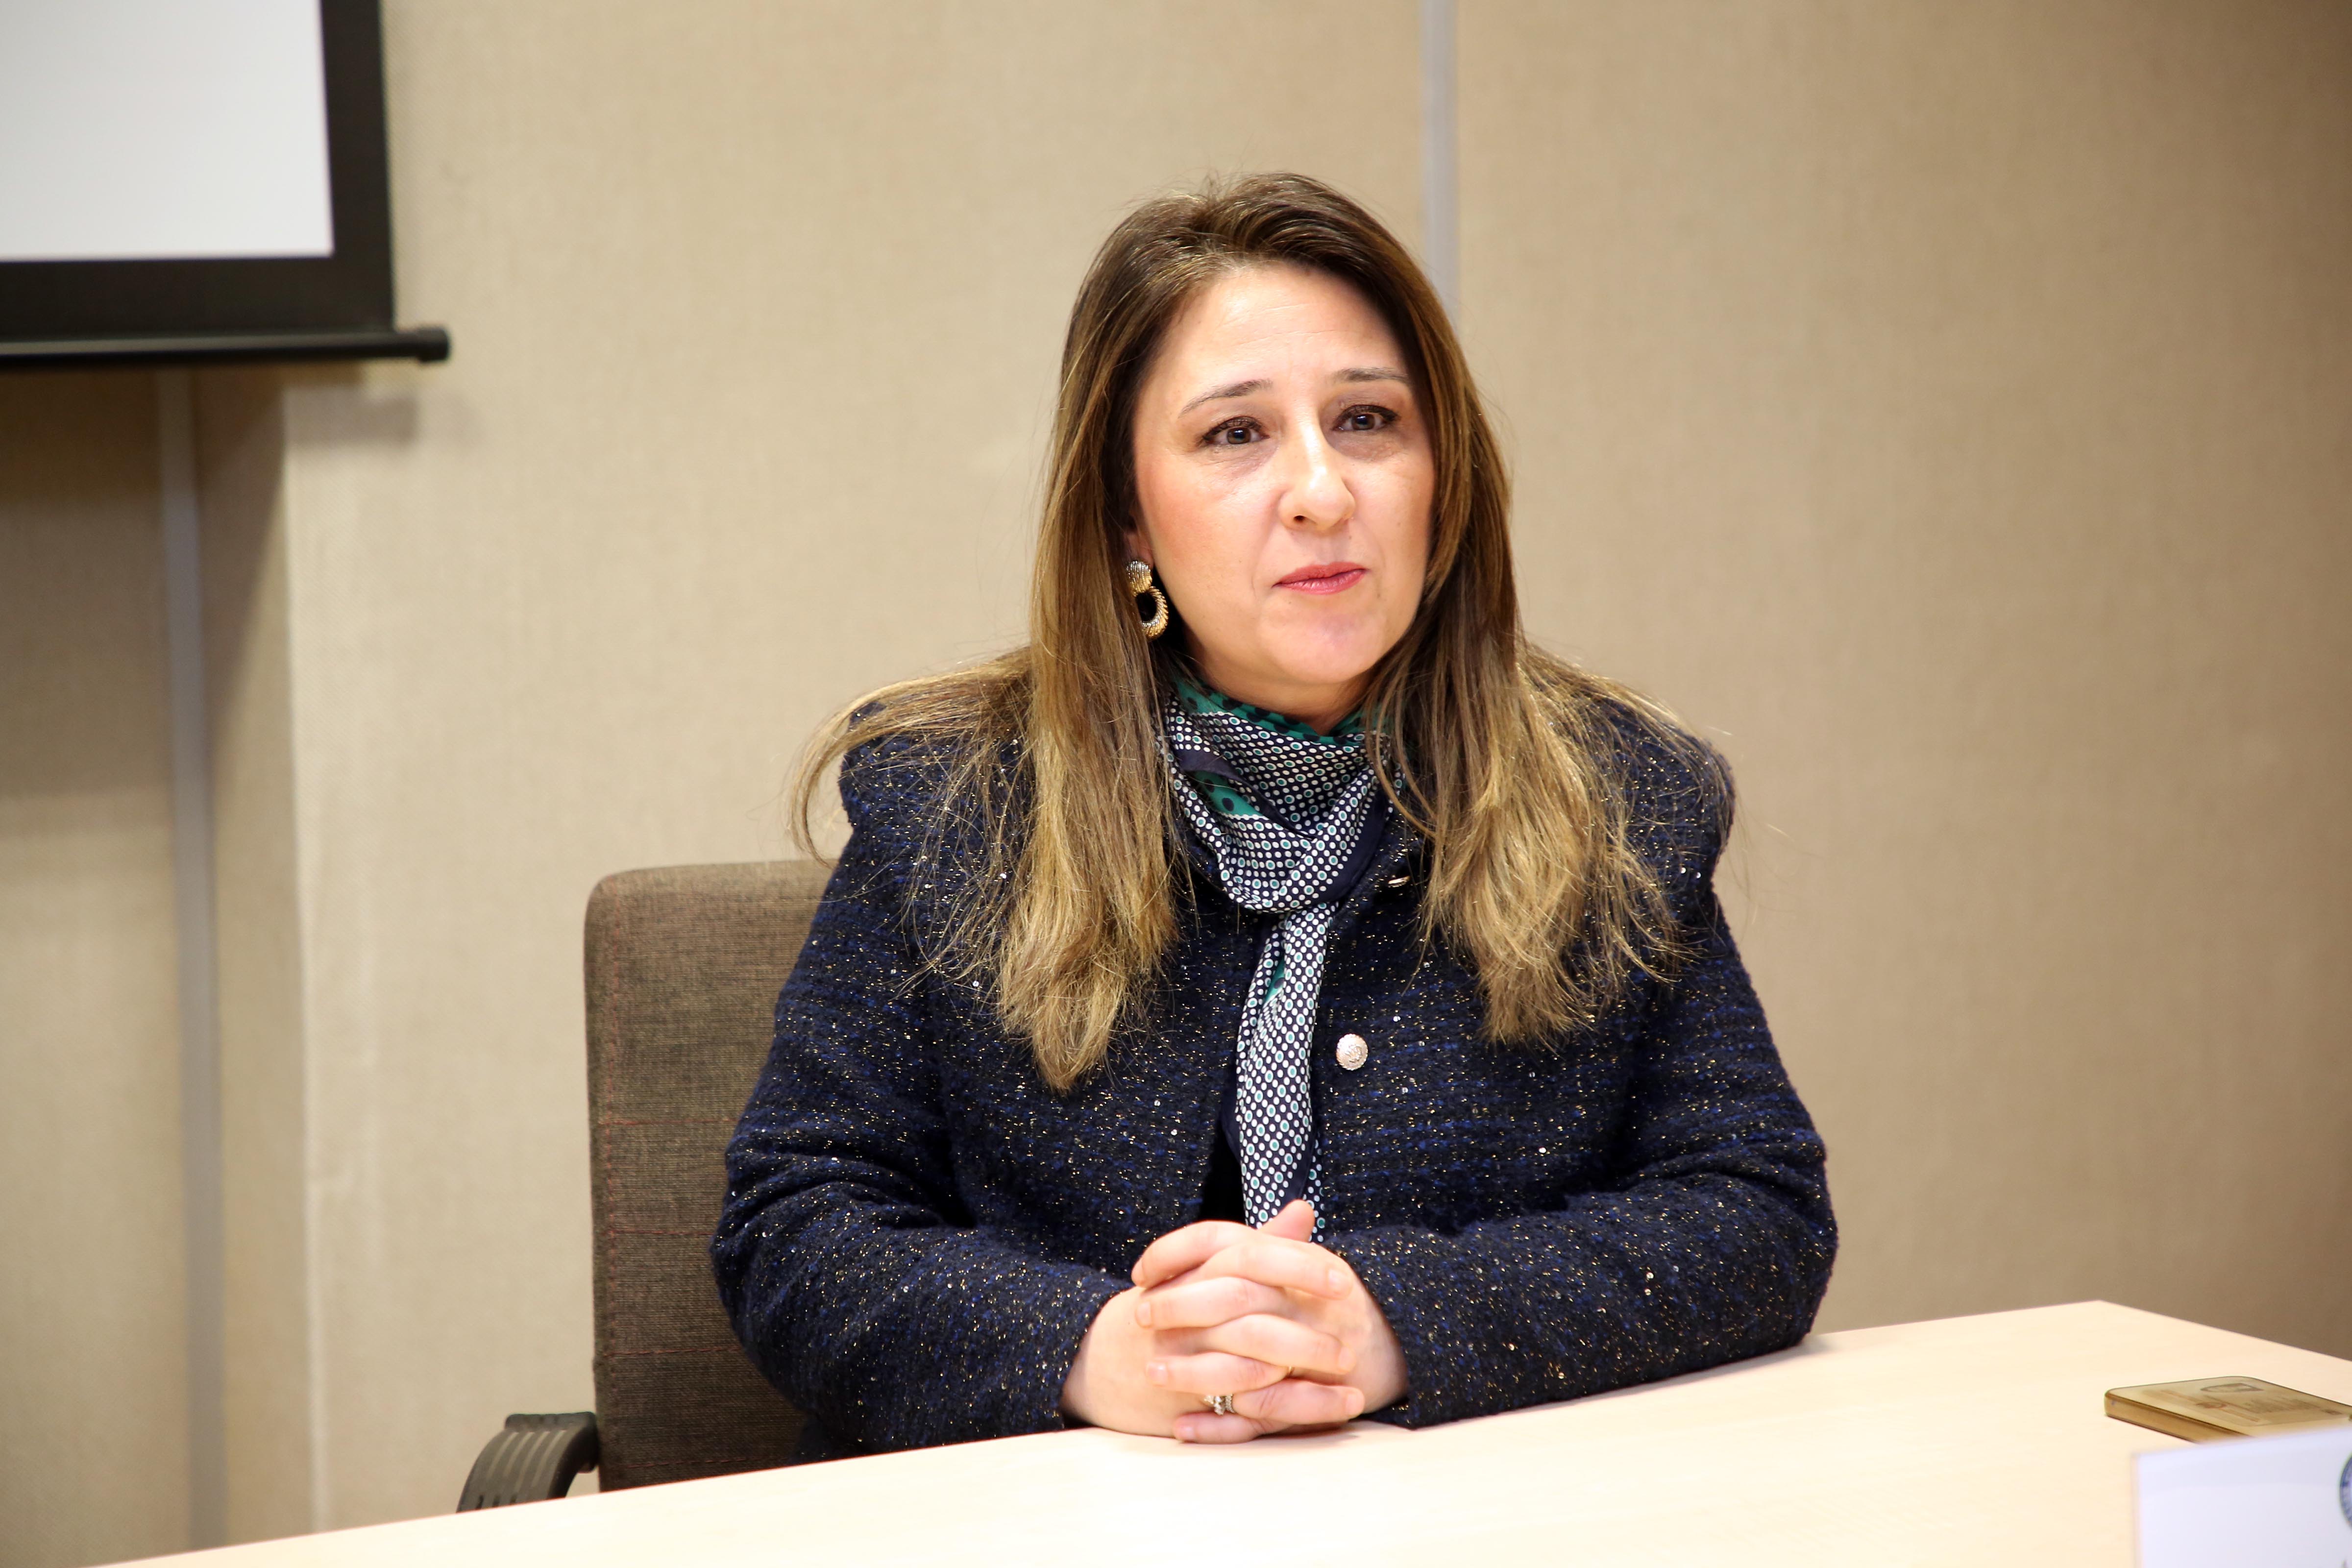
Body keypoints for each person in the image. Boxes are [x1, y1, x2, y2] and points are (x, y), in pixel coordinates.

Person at [712, 172, 1835, 1458]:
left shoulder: (1614, 797)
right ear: (1127, 515)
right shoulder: (959, 800)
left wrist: (1396, 1323)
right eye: (1236, 434)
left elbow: (1757, 1210)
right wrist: (1098, 1349)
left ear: (1444, 478)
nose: (1320, 491)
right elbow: (797, 1227)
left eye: (1368, 420)